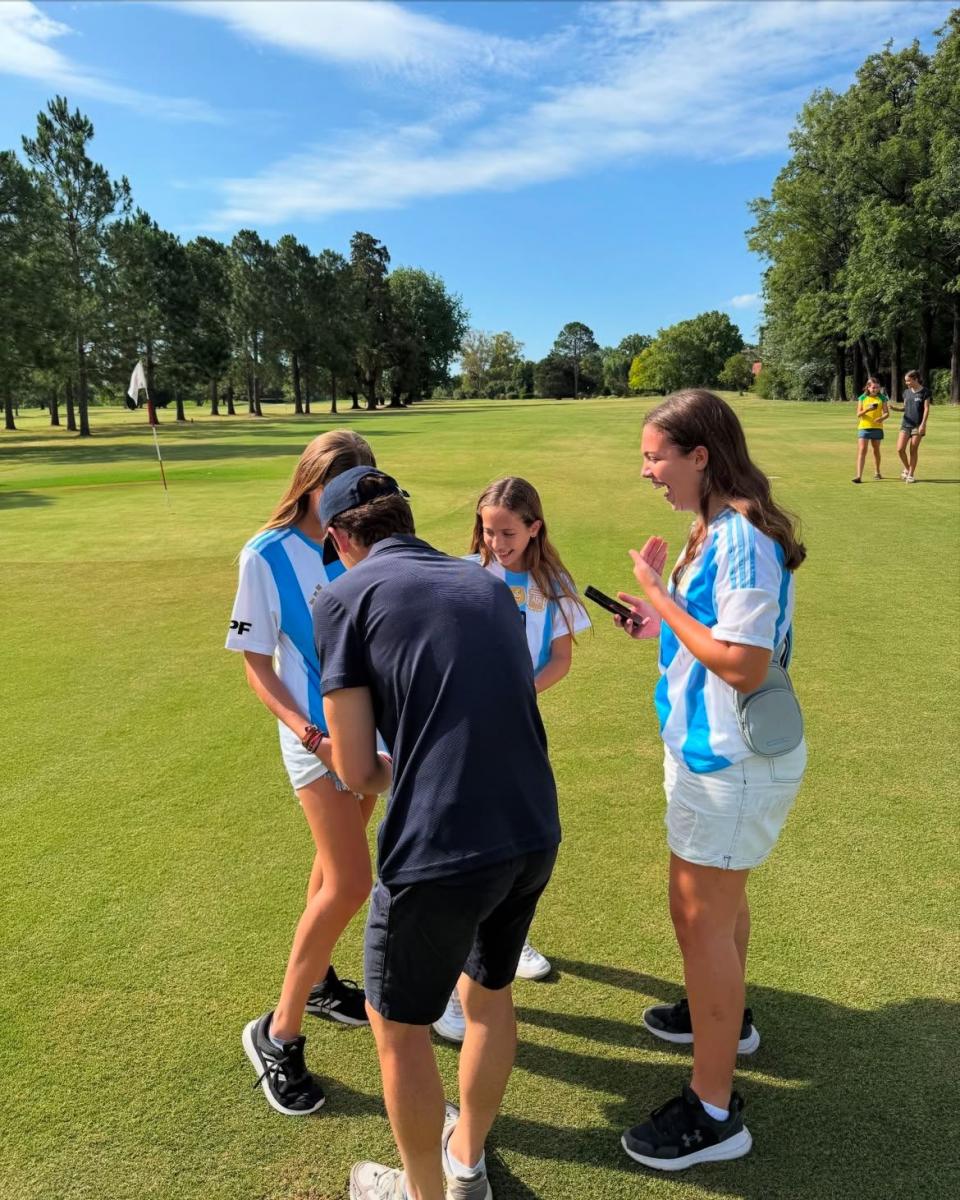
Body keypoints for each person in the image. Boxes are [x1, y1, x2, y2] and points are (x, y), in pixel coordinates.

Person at [312, 467, 560, 1200]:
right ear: (405, 519)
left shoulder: (340, 597)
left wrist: (383, 765)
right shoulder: (483, 581)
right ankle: (467, 1164)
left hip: (440, 846)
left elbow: (358, 770)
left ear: (338, 538)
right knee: (489, 992)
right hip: (532, 827)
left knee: (395, 1023)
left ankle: (424, 1194)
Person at [613, 389, 807, 1170]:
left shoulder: (741, 539)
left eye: (655, 456)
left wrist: (661, 597)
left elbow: (743, 661)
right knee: (712, 916)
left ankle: (715, 1111)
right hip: (706, 753)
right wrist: (658, 622)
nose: (647, 471)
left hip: (731, 764)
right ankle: (724, 1018)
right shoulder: (712, 531)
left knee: (700, 921)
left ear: (700, 456)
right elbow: (711, 637)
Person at [226, 431, 381, 1118]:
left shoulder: (363, 541)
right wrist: (310, 734)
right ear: (312, 482)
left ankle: (317, 981)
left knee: (330, 873)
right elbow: (258, 665)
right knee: (351, 879)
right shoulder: (264, 554)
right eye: (340, 491)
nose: (351, 507)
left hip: (369, 735)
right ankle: (277, 1032)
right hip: (315, 739)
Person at [431, 477, 591, 1044]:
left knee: (516, 844)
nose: (495, 542)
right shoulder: (465, 574)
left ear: (534, 528)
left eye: (507, 532)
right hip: (465, 732)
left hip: (520, 728)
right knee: (465, 854)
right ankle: (449, 988)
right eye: (487, 530)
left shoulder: (555, 582)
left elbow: (561, 658)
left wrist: (521, 691)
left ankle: (508, 939)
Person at [893, 369, 931, 483]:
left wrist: (923, 424)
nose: (907, 383)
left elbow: (926, 409)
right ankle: (908, 468)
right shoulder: (906, 392)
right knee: (900, 449)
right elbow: (905, 408)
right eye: (906, 381)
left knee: (913, 450)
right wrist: (895, 408)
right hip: (905, 424)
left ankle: (910, 474)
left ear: (916, 379)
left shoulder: (925, 392)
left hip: (918, 425)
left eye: (908, 381)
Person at [852, 376, 889, 483]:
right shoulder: (862, 398)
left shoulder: (882, 398)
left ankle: (877, 471)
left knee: (876, 450)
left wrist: (881, 418)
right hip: (864, 427)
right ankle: (859, 476)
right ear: (868, 387)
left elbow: (886, 413)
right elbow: (858, 414)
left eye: (877, 388)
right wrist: (868, 409)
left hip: (877, 428)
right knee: (862, 450)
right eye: (873, 388)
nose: (875, 390)